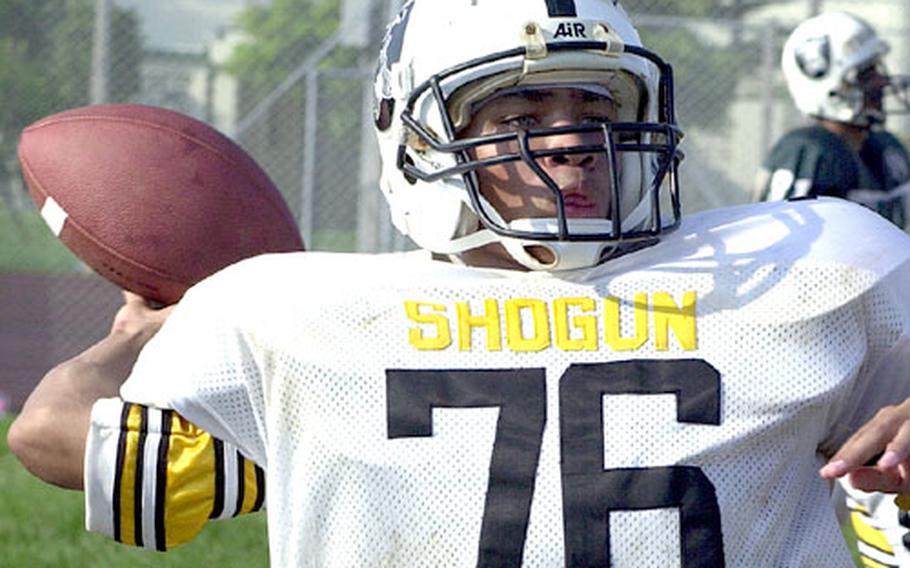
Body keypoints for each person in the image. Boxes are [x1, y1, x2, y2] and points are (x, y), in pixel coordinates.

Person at [9, 0, 910, 566]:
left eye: (596, 106)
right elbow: (53, 443)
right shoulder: (821, 264)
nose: (571, 138)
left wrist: (140, 334)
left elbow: (51, 429)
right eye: (520, 109)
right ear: (417, 137)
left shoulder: (286, 314)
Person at [752, 11, 910, 229]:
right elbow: (783, 253)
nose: (881, 81)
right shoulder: (812, 152)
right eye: (866, 74)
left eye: (877, 69)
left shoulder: (887, 150)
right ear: (830, 88)